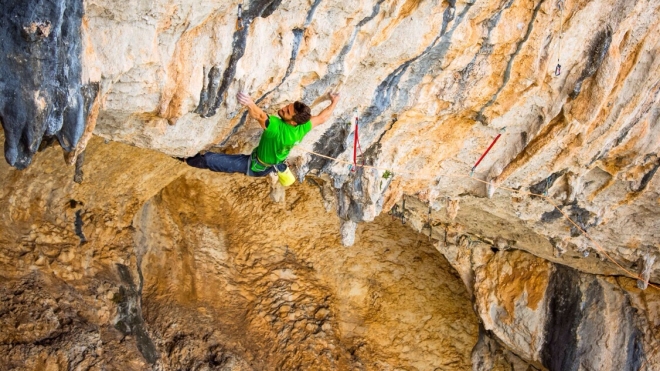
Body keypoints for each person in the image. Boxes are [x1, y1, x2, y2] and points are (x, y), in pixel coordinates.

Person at [184, 91, 340, 182]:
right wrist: (334, 101)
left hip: (254, 166)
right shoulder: (302, 126)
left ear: (293, 122)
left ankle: (184, 158)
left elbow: (259, 115)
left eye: (286, 112)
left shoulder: (277, 129)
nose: (283, 109)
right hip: (270, 163)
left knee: (209, 160)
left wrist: (250, 103)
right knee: (215, 160)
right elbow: (322, 117)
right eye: (287, 106)